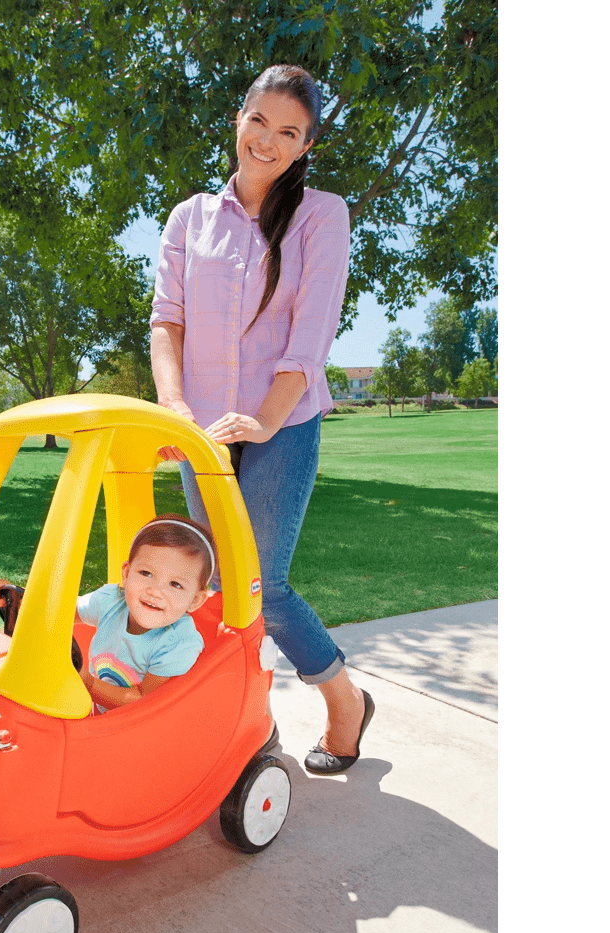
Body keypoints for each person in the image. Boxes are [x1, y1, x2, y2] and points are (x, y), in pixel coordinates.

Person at [149, 63, 374, 775]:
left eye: (289, 133)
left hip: (284, 423)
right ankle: (246, 722)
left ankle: (346, 707)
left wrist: (269, 419)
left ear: (306, 146)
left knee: (263, 586)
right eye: (259, 122)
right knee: (209, 586)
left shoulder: (321, 215)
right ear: (237, 119)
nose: (268, 142)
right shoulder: (190, 218)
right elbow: (166, 323)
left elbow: (310, 335)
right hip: (203, 435)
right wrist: (176, 411)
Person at [0, 515, 214, 712]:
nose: (155, 591)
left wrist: (88, 682)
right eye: (146, 573)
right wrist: (18, 598)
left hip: (142, 731)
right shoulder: (111, 601)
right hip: (96, 708)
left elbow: (146, 703)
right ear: (126, 574)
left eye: (175, 584)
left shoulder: (179, 643)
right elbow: (57, 614)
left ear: (195, 600)